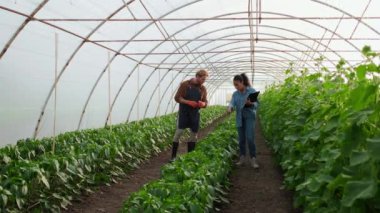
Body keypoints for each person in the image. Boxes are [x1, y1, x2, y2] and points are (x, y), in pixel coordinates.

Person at [170, 69, 208, 161]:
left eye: (205, 80)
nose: (203, 81)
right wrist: (188, 102)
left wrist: (203, 104)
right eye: (203, 79)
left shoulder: (202, 88)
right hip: (184, 112)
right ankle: (173, 157)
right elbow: (177, 98)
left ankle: (190, 157)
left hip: (195, 114)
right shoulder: (185, 85)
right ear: (197, 76)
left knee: (194, 135)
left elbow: (205, 102)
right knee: (178, 133)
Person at [228, 73, 259, 168]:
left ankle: (253, 159)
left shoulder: (251, 91)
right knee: (241, 139)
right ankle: (242, 158)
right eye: (234, 85)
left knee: (250, 138)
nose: (236, 87)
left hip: (249, 116)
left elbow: (257, 104)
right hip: (239, 118)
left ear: (242, 82)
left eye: (237, 84)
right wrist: (230, 108)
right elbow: (232, 103)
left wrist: (251, 103)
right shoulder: (235, 94)